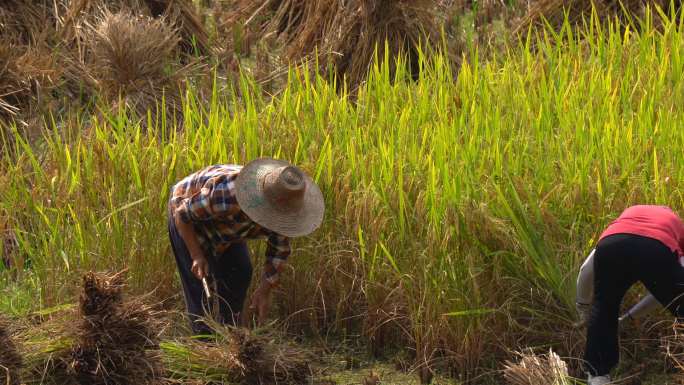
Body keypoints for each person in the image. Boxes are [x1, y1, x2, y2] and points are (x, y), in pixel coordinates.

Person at [167, 158, 324, 334]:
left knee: (240, 271)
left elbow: (278, 252)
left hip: (228, 228)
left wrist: (264, 292)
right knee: (201, 292)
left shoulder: (286, 210)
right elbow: (181, 215)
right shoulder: (228, 196)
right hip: (190, 218)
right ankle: (204, 344)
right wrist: (197, 256)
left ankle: (231, 335)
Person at [576, 205, 684, 385]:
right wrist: (630, 317)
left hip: (612, 246)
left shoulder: (624, 221)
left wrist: (583, 308)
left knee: (604, 306)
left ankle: (598, 377)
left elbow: (585, 269)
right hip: (656, 247)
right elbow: (666, 294)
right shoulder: (677, 227)